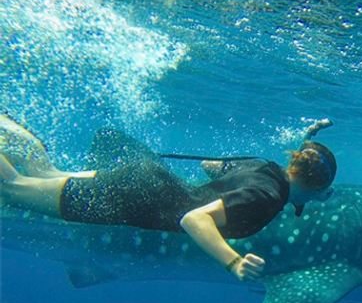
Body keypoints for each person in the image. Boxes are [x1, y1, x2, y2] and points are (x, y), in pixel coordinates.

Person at [0, 116, 337, 281]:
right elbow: (193, 220)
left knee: (44, 174)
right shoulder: (266, 197)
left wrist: (306, 139)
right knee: (12, 188)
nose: (325, 197)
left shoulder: (266, 168)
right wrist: (233, 262)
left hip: (146, 179)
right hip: (131, 198)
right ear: (316, 188)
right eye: (326, 191)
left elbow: (211, 167)